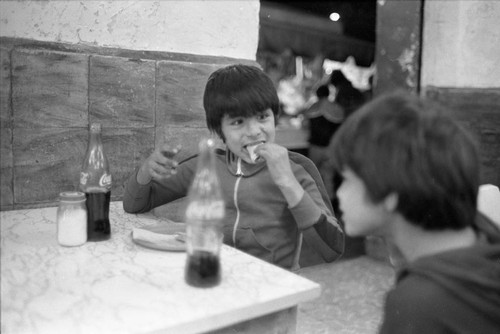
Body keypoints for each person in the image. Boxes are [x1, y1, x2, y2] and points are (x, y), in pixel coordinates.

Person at [123, 64, 344, 270]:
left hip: (271, 291)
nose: (255, 131)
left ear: (274, 118)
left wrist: (288, 184)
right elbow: (136, 204)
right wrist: (145, 172)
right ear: (220, 131)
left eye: (262, 117)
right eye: (238, 122)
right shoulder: (205, 165)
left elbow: (332, 249)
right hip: (215, 279)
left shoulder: (297, 170)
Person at [329, 91, 500, 333]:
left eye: (345, 179)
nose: (340, 194)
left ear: (389, 192)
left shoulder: (417, 305)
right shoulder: (483, 233)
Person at [303, 84, 344, 199]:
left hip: (316, 147)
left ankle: (315, 203)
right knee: (328, 178)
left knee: (312, 176)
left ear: (317, 94)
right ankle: (330, 207)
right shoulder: (337, 108)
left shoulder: (312, 107)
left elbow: (305, 125)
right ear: (328, 93)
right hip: (331, 148)